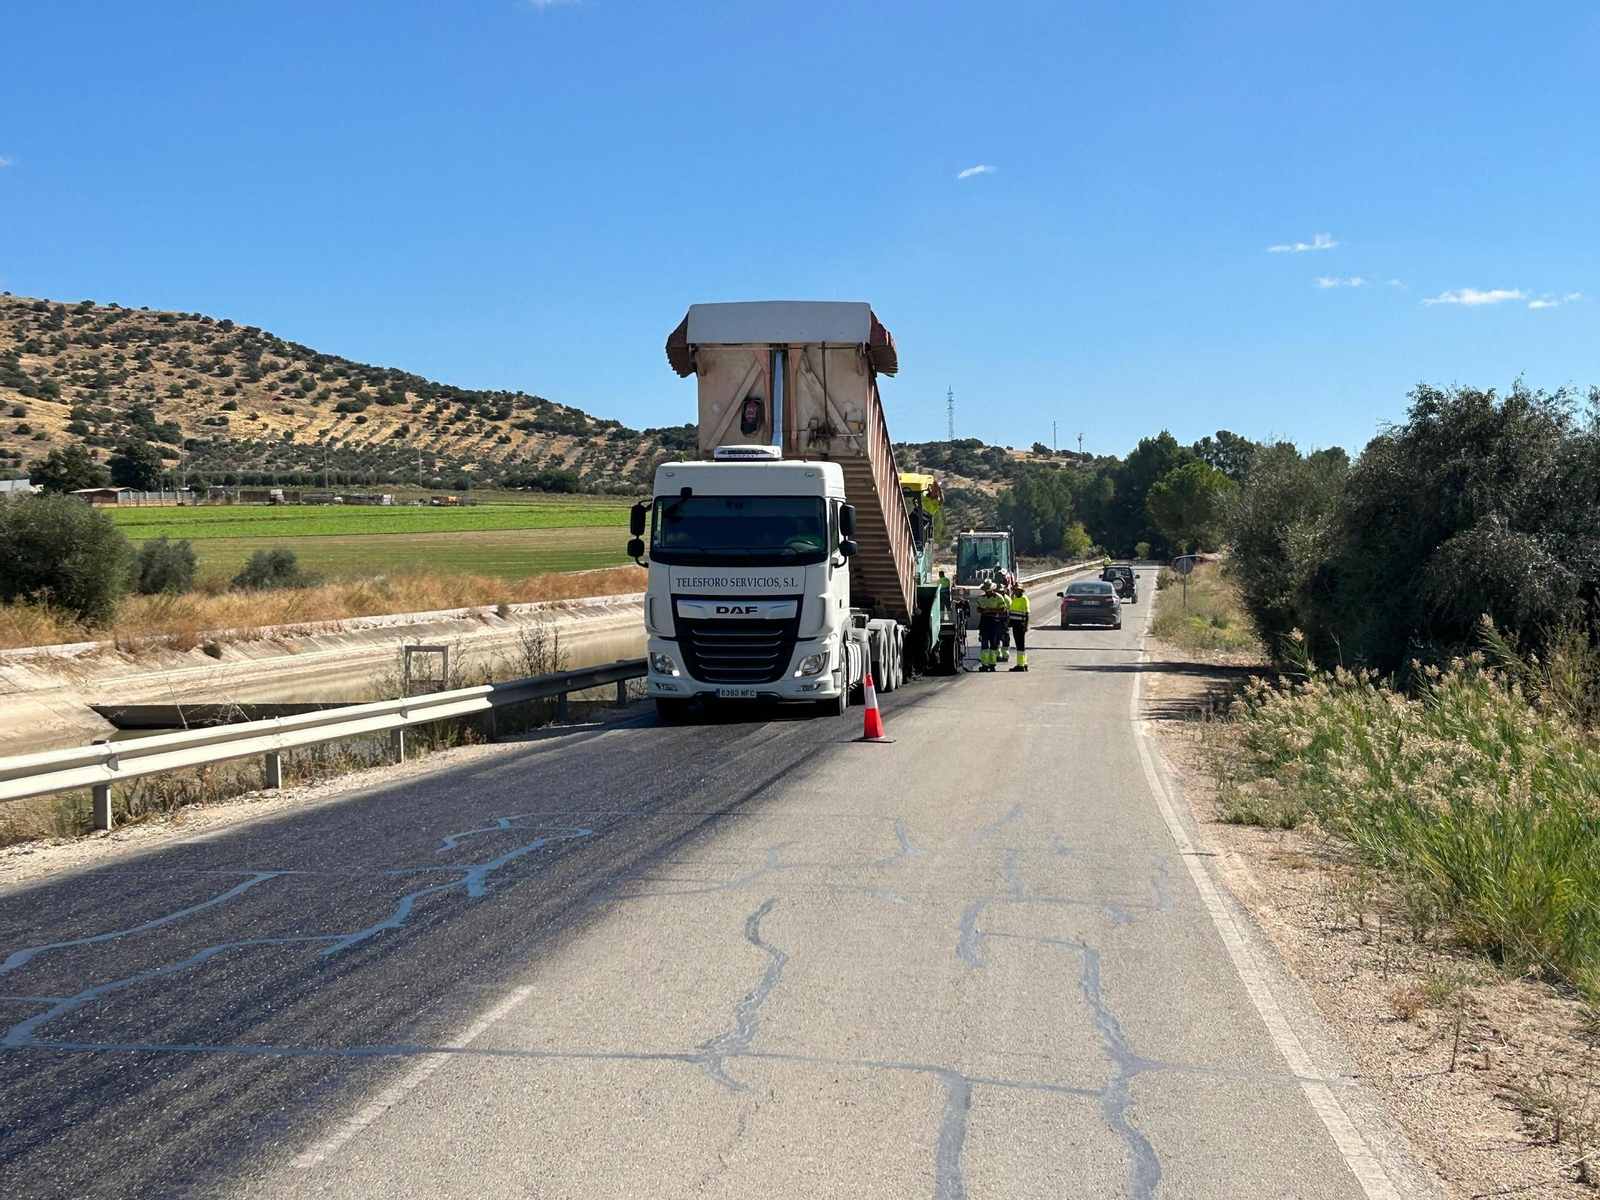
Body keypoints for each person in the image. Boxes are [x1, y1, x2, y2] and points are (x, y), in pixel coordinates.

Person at [975, 580, 1008, 672]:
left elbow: (1003, 610)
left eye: (988, 590)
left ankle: (992, 664)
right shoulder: (981, 598)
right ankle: (984, 664)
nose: (987, 592)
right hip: (985, 622)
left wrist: (990, 610)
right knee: (984, 643)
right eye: (986, 590)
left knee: (993, 643)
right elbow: (978, 609)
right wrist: (983, 611)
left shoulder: (998, 597)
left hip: (995, 622)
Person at [1008, 582, 1030, 672]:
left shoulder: (1024, 599)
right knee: (1019, 644)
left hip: (1020, 624)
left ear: (1020, 590)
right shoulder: (1014, 598)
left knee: (1020, 645)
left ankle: (1020, 665)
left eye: (1017, 590)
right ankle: (1023, 663)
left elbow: (1027, 613)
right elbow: (1011, 612)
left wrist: (1026, 625)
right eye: (1014, 590)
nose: (1015, 591)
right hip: (1014, 624)